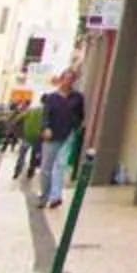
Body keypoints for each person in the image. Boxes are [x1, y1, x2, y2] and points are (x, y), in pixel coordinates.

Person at [37, 68, 86, 208]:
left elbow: (81, 114)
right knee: (46, 167)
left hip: (68, 134)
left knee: (60, 165)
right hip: (52, 135)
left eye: (71, 78)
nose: (68, 81)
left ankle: (55, 196)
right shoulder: (52, 98)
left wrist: (75, 126)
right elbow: (45, 115)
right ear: (61, 79)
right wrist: (46, 128)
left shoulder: (77, 97)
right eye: (66, 78)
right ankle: (44, 195)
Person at [10, 94, 44, 181]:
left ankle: (17, 171)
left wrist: (18, 130)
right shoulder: (47, 113)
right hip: (38, 138)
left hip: (27, 136)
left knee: (22, 155)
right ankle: (31, 171)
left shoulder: (32, 110)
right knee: (34, 155)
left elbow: (18, 118)